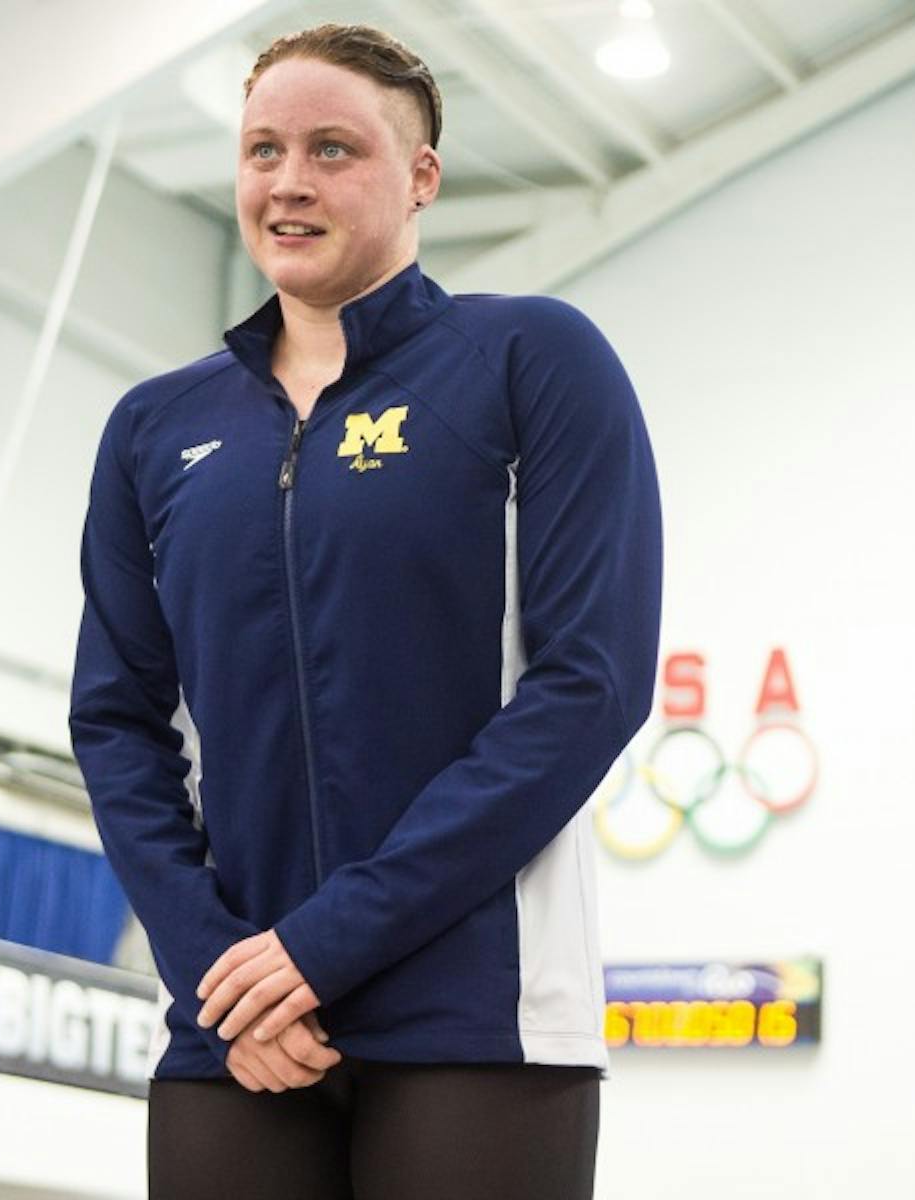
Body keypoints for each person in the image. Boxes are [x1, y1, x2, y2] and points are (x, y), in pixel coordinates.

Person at [69, 22, 662, 1200]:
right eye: (261, 150)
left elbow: (586, 682)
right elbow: (116, 724)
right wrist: (211, 970)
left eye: (333, 149)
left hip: (473, 1011)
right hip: (232, 1020)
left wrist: (320, 946)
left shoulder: (528, 359)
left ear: (421, 175)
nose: (287, 182)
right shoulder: (154, 426)